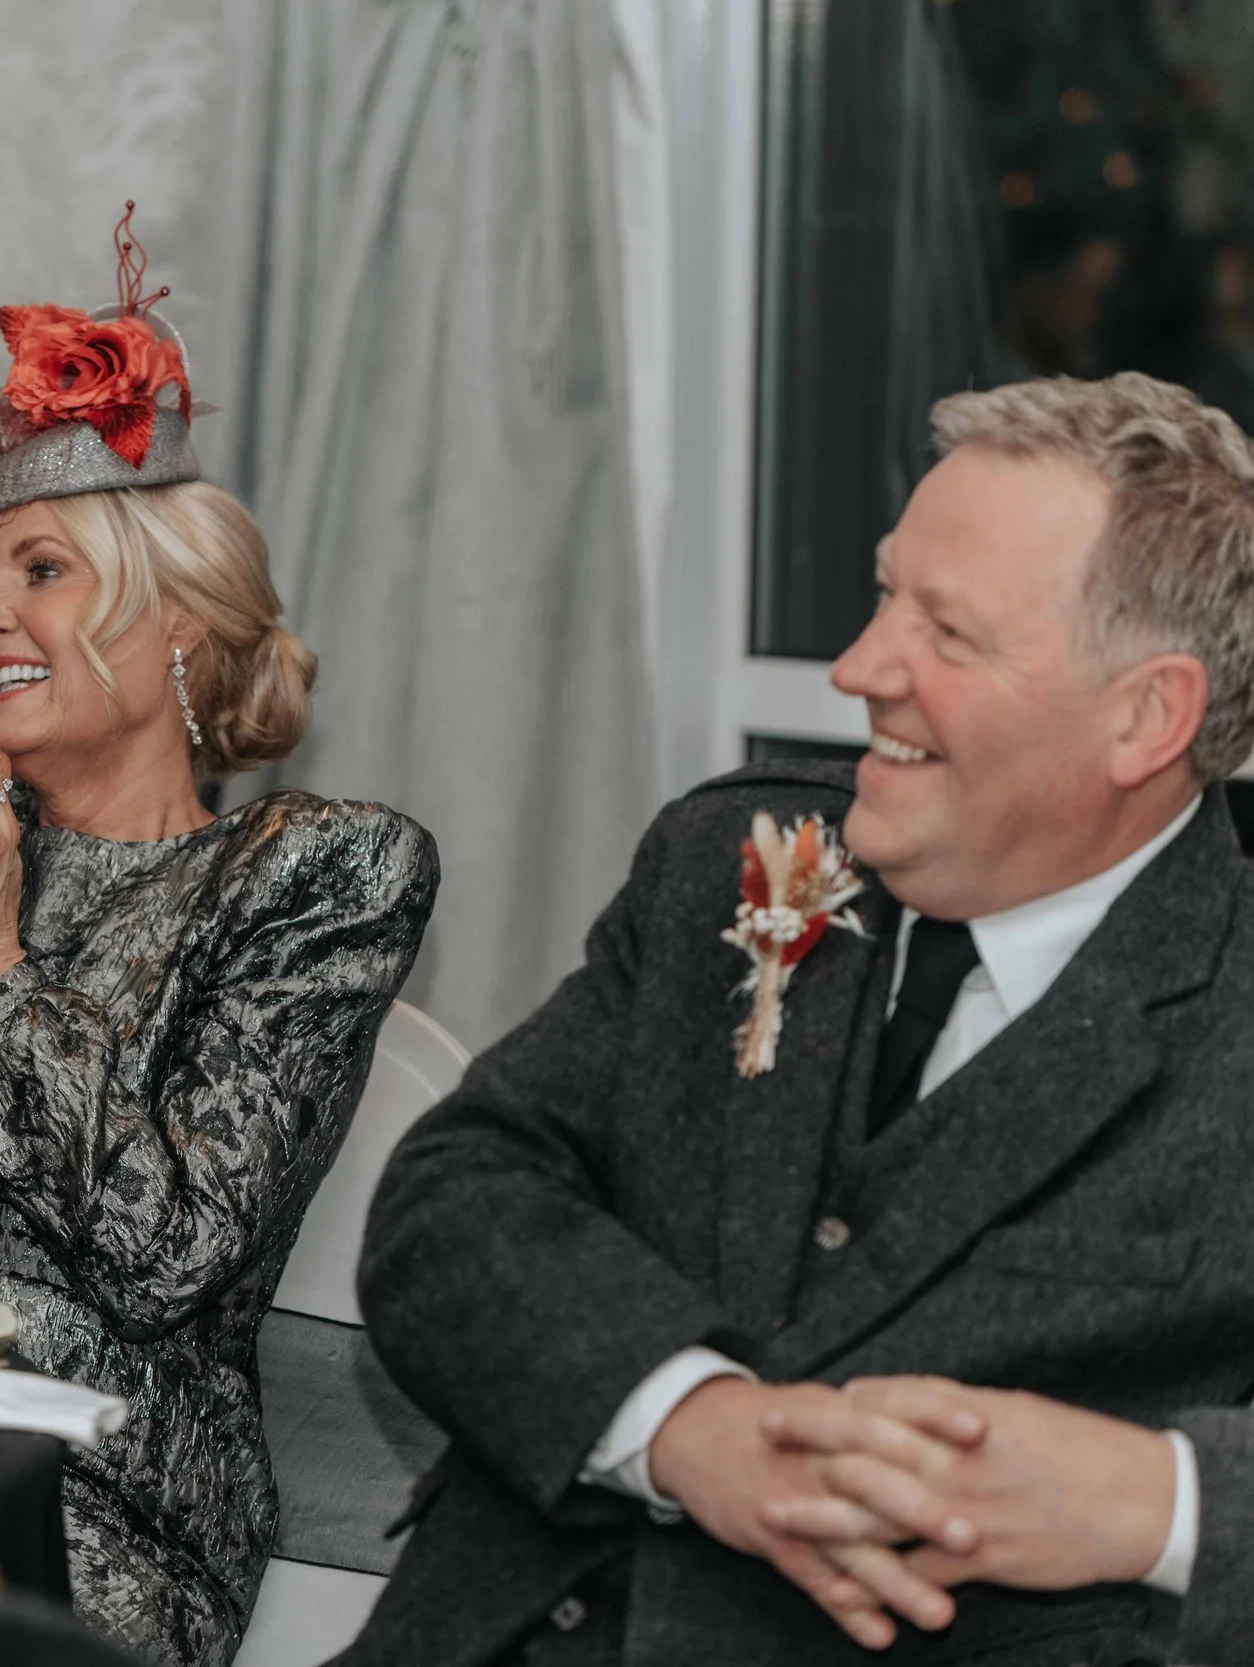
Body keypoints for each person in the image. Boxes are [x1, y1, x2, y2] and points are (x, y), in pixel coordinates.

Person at [342, 371, 1254, 1667]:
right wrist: (686, 1422)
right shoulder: (732, 855)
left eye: (948, 631)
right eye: (885, 593)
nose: (857, 666)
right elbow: (455, 1197)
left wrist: (1147, 1495)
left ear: (1145, 716)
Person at [0, 212, 437, 1666]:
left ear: (177, 620)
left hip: (98, 1493)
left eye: (41, 570)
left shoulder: (317, 871)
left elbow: (168, 1253)